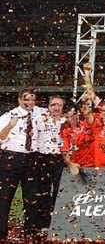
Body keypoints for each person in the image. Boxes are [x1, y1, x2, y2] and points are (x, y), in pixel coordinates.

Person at [0, 89, 45, 239]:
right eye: (27, 99)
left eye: (33, 99)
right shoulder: (8, 116)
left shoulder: (38, 113)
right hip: (11, 158)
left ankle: (29, 229)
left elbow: (55, 111)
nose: (30, 102)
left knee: (31, 196)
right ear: (19, 100)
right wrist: (9, 126)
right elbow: (0, 139)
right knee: (6, 195)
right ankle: (1, 231)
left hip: (32, 158)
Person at [32, 95, 66, 230]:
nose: (56, 108)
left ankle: (59, 221)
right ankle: (43, 223)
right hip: (43, 158)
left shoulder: (67, 121)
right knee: (43, 191)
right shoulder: (39, 119)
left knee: (59, 191)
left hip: (60, 159)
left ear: (63, 107)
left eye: (59, 105)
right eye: (53, 105)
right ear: (48, 107)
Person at [61, 103, 95, 176]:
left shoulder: (87, 123)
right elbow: (65, 151)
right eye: (67, 117)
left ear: (78, 113)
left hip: (95, 164)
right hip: (78, 166)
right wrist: (70, 163)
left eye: (72, 115)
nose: (70, 119)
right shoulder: (65, 130)